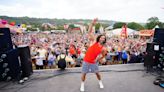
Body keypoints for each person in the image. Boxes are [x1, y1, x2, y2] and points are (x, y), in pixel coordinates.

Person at [80, 18, 107, 91]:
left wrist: (98, 59)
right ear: (99, 38)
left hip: (93, 62)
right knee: (84, 74)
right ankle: (82, 84)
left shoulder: (103, 48)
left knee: (97, 74)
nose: (102, 39)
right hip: (86, 60)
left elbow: (103, 55)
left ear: (104, 40)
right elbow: (89, 32)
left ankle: (100, 82)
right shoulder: (94, 41)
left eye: (103, 38)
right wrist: (92, 23)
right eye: (101, 37)